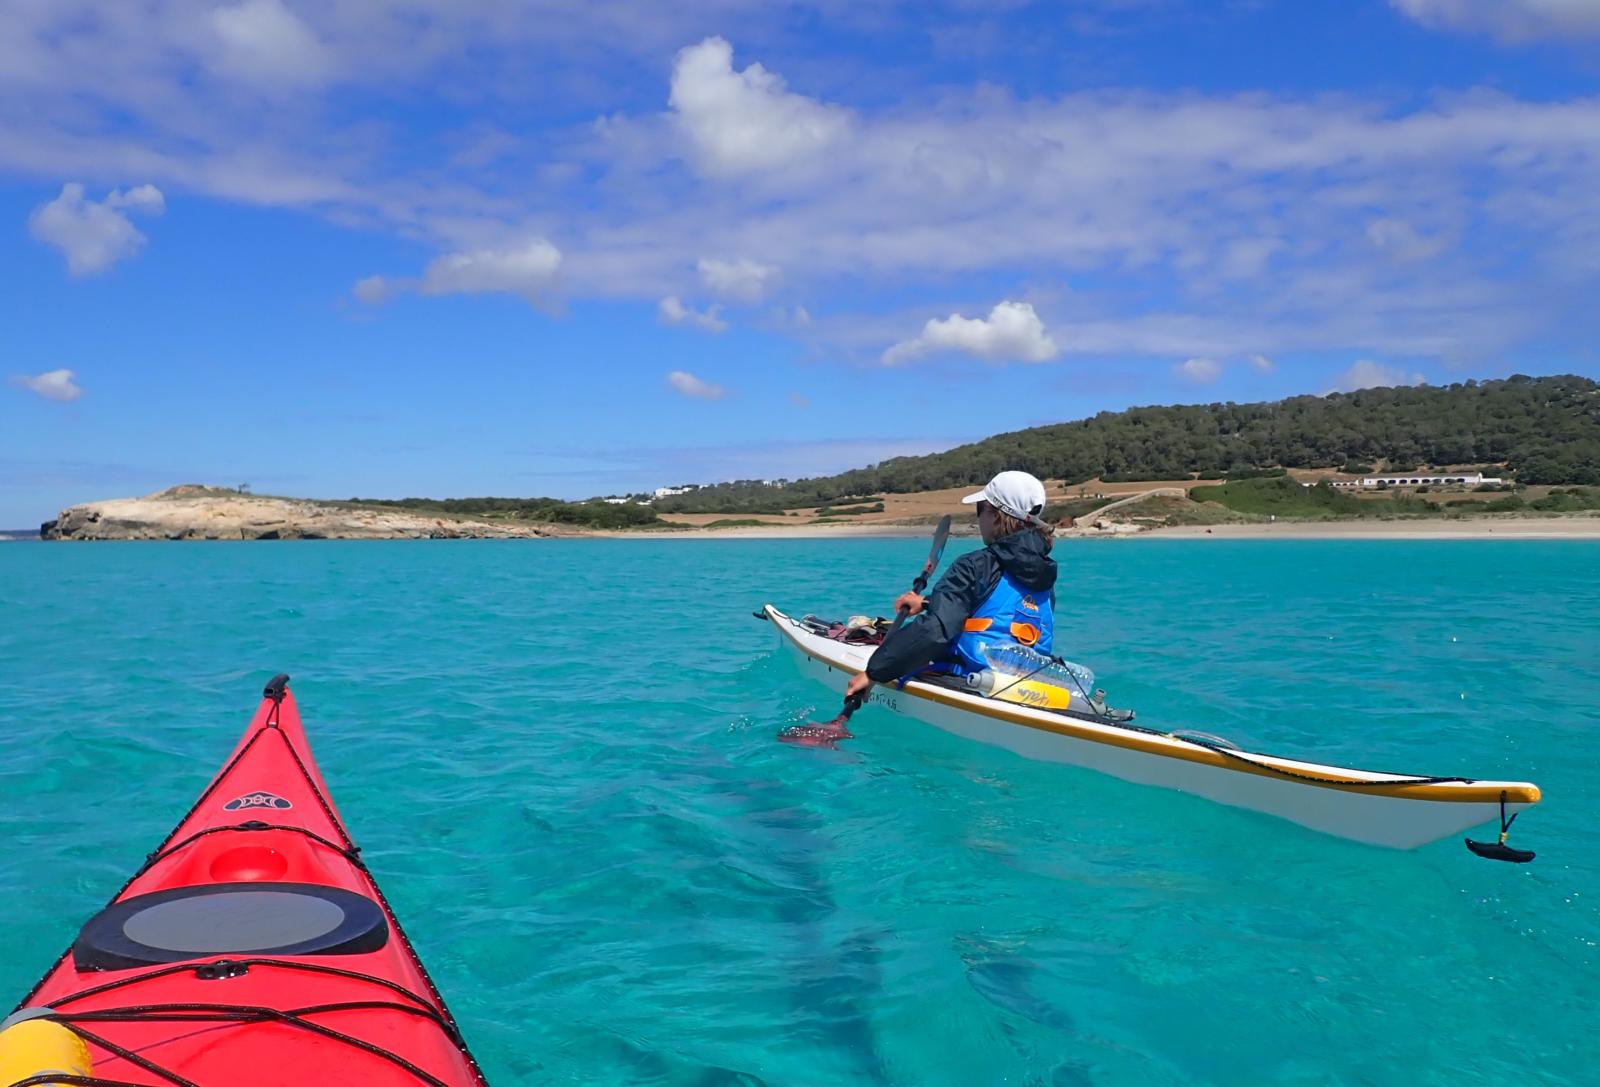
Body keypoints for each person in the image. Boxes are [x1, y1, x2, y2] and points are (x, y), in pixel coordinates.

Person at [845, 470, 1057, 700]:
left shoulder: (975, 565)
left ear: (995, 515)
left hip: (968, 681)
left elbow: (934, 631)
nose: (978, 519)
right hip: (1025, 688)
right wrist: (927, 603)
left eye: (980, 509)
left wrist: (874, 672)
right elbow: (998, 615)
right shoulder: (1045, 575)